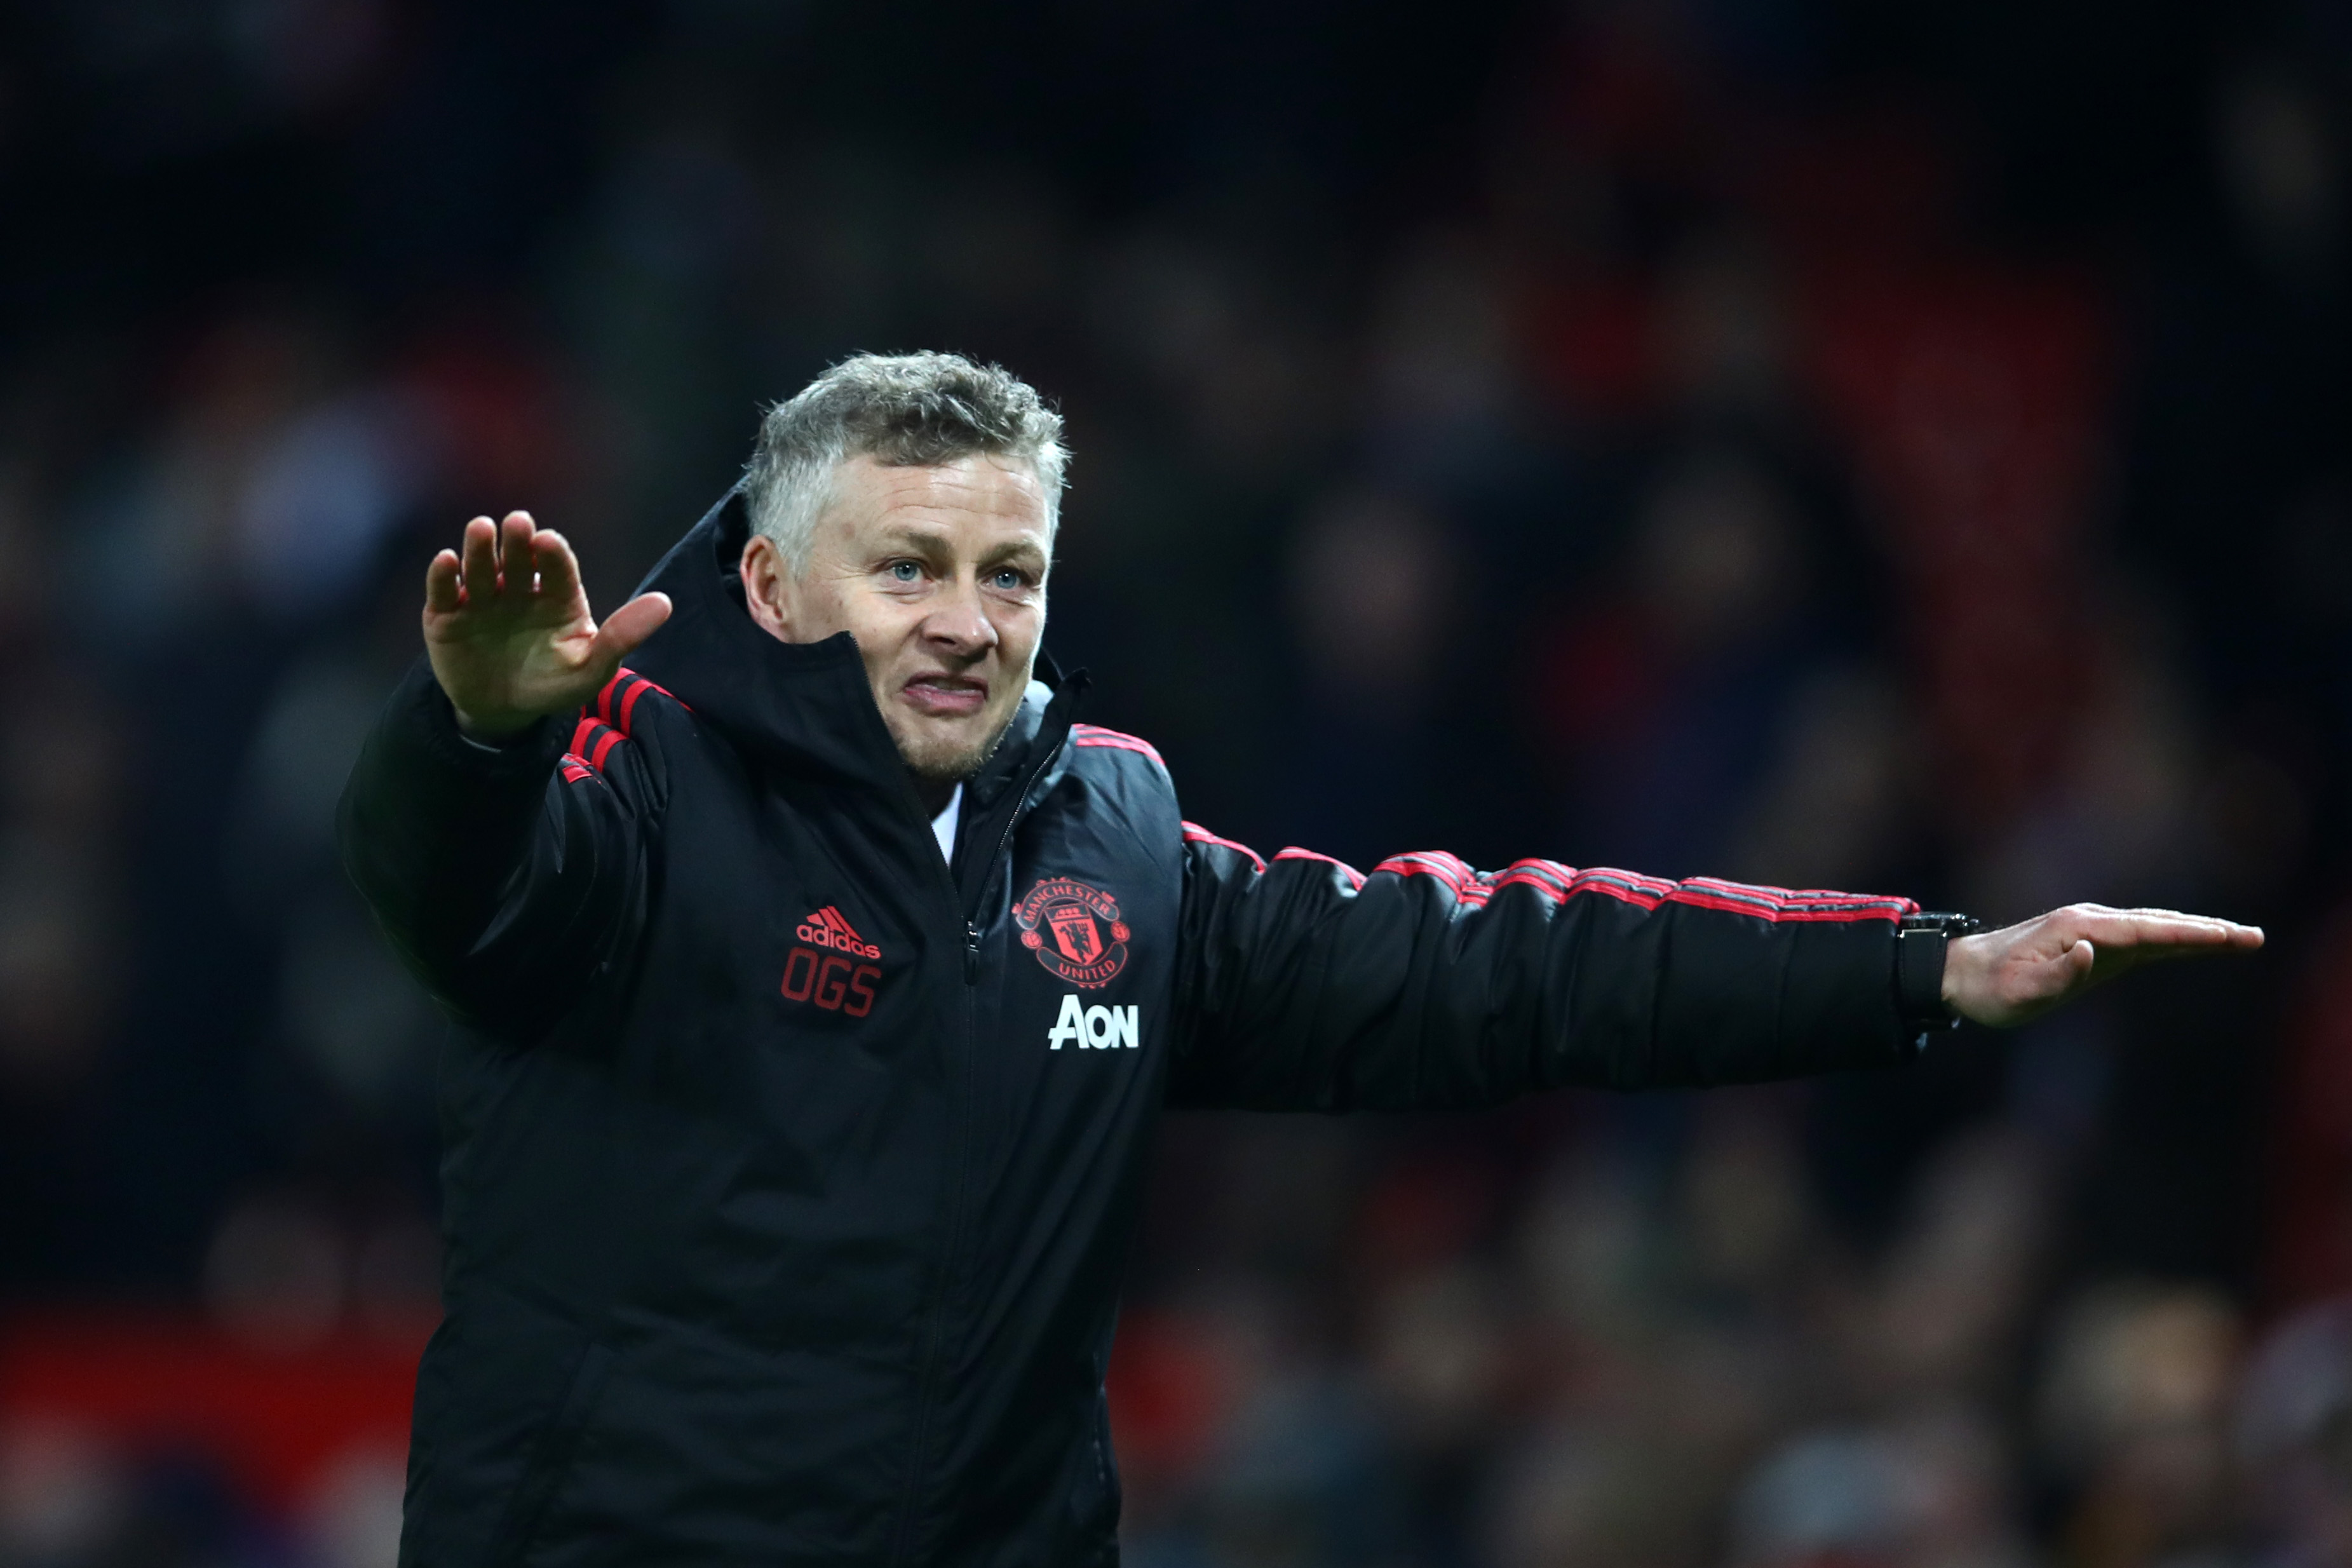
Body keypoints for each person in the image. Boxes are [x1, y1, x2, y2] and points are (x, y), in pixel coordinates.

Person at [338, 352, 2261, 1566]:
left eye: (1008, 570)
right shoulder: (637, 791)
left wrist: (1926, 968)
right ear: (772, 582)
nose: (966, 619)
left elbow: (1506, 964)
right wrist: (480, 737)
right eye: (904, 564)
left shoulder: (1116, 837)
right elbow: (456, 897)